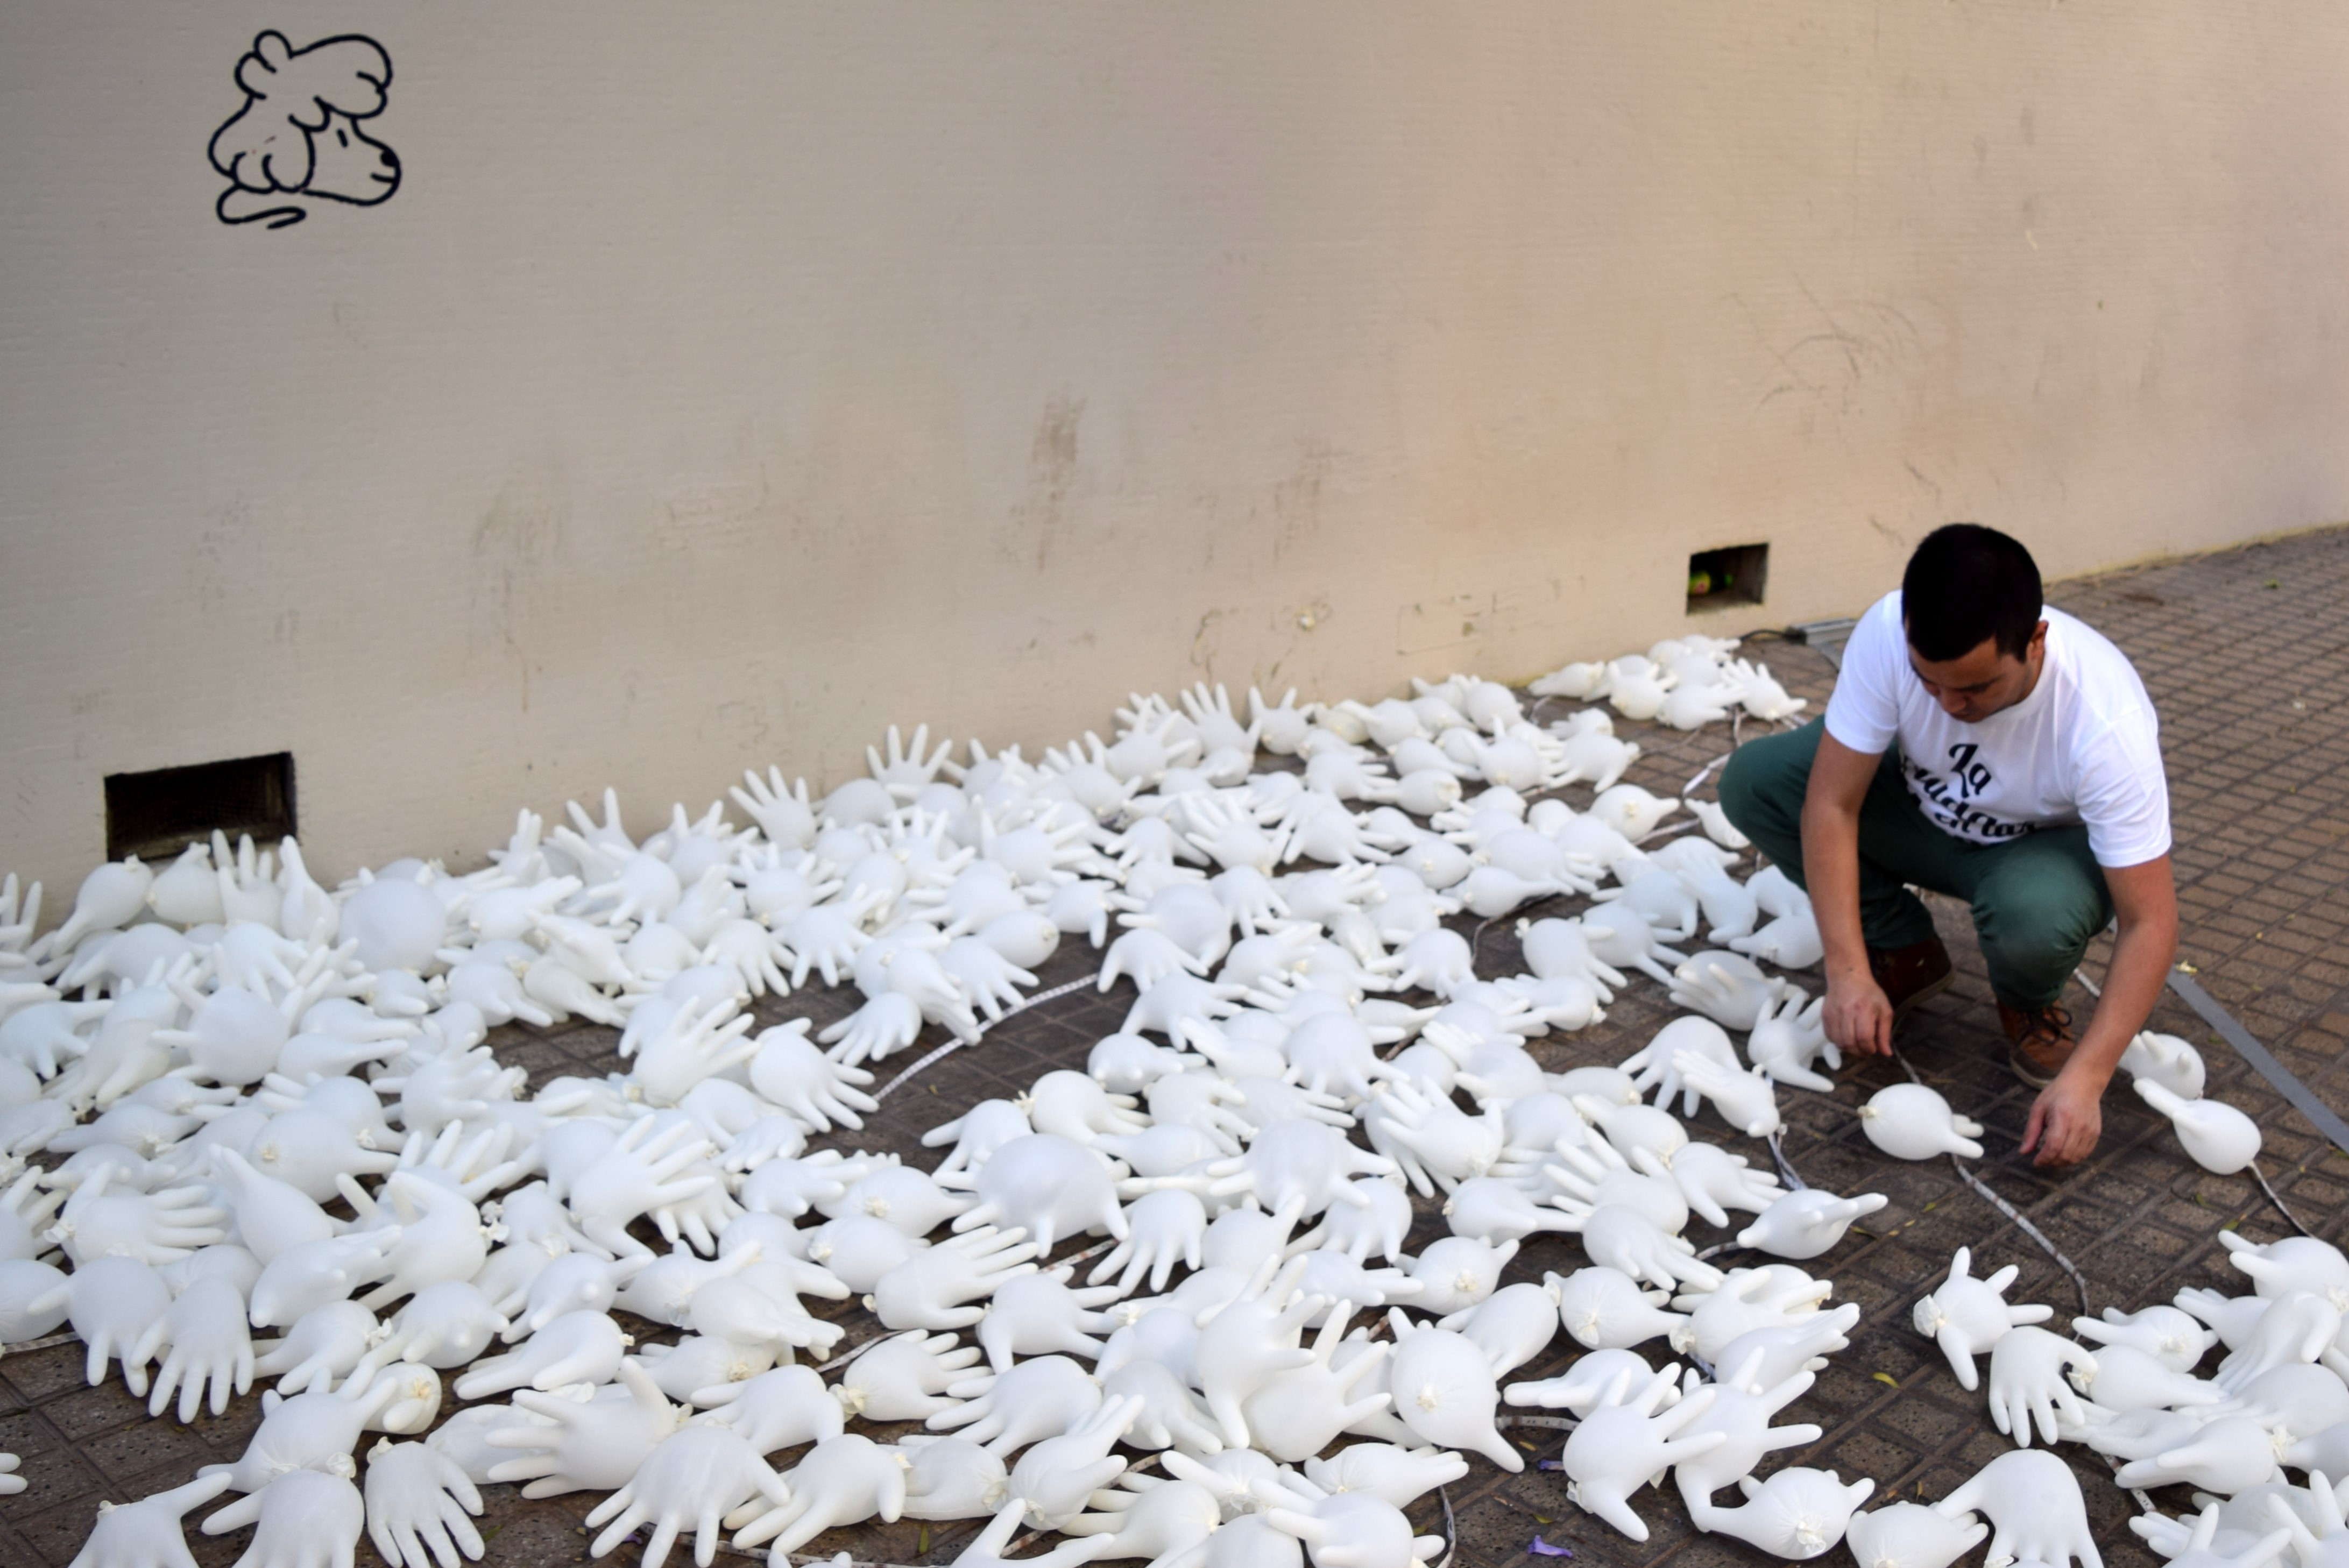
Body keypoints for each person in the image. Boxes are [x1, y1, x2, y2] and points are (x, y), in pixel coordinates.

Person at [1717, 524, 2176, 1168]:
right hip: (1919, 814)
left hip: (2027, 856)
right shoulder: (1888, 630)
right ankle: (1902, 948)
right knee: (1757, 782)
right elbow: (1831, 803)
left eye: (1975, 687)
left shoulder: (2104, 724)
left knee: (2033, 919)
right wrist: (1846, 969)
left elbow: (2150, 921)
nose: (1949, 704)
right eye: (1927, 683)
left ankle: (2027, 1001)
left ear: (2035, 640)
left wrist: (2090, 1076)